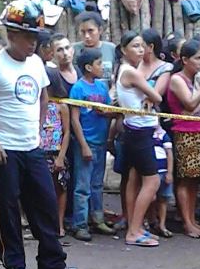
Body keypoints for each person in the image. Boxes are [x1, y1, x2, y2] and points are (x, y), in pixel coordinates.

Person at [0, 0, 77, 269]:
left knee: (45, 202)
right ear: (12, 35)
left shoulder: (37, 65)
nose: (33, 43)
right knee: (7, 206)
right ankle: (14, 263)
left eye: (36, 37)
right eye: (29, 37)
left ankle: (52, 261)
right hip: (3, 148)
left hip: (31, 147)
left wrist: (39, 131)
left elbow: (43, 97)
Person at [114, 31, 165, 247]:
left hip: (134, 130)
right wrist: (149, 96)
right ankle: (133, 231)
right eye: (135, 46)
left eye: (142, 46)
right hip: (140, 132)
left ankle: (136, 227)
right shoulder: (131, 73)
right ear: (124, 49)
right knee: (152, 181)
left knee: (135, 179)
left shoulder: (127, 71)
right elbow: (157, 97)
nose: (141, 50)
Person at [168, 38, 200, 239]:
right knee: (185, 180)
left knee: (195, 180)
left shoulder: (193, 80)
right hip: (186, 131)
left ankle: (192, 219)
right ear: (184, 59)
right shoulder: (177, 79)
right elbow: (189, 104)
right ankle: (187, 222)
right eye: (197, 58)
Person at [69, 47, 113, 241]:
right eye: (98, 63)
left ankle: (98, 218)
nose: (101, 67)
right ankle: (79, 224)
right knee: (82, 185)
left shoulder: (102, 87)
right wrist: (83, 144)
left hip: (101, 141)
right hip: (86, 142)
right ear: (88, 67)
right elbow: (75, 119)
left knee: (97, 183)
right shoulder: (78, 88)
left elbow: (110, 110)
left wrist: (108, 113)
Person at [40, 65, 71, 239]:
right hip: (38, 152)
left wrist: (61, 156)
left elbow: (67, 132)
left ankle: (59, 224)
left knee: (60, 188)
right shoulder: (36, 103)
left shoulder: (61, 106)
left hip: (55, 152)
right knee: (41, 190)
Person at [72, 11, 115, 78]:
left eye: (90, 31)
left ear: (100, 30)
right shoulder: (73, 50)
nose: (87, 36)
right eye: (83, 32)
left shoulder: (111, 48)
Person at [150, 123, 174, 238]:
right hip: (151, 171)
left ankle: (162, 224)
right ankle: (150, 220)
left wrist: (169, 172)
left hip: (163, 170)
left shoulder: (163, 134)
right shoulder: (145, 133)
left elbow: (169, 154)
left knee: (163, 198)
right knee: (151, 198)